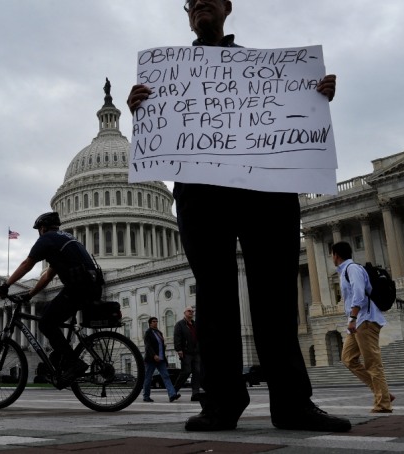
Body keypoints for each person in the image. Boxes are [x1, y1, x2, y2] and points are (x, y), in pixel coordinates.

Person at [127, 0, 350, 432]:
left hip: (265, 189)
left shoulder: (273, 72)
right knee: (214, 298)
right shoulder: (167, 75)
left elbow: (294, 117)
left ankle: (292, 403)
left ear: (228, 7)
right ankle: (222, 401)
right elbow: (162, 132)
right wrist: (145, 111)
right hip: (201, 192)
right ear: (188, 12)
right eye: (192, 0)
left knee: (275, 295)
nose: (201, 4)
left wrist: (314, 97)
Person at [0, 212, 102, 388]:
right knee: (53, 320)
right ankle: (63, 361)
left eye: (38, 230)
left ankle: (74, 363)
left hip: (78, 287)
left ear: (42, 228)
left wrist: (6, 285)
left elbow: (27, 264)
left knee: (46, 323)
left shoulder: (47, 239)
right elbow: (47, 277)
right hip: (93, 284)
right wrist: (30, 294)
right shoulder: (65, 239)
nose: (39, 233)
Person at [331, 241, 394, 413]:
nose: (332, 257)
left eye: (332, 254)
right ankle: (383, 392)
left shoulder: (352, 269)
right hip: (358, 322)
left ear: (335, 255)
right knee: (348, 359)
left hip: (364, 320)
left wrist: (352, 317)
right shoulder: (346, 271)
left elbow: (359, 293)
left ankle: (383, 403)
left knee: (373, 362)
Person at [142, 317, 181, 403]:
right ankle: (146, 396)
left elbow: (162, 347)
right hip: (151, 359)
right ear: (150, 323)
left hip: (161, 359)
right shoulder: (148, 333)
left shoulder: (159, 333)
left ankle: (172, 395)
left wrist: (165, 359)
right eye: (153, 322)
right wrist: (154, 355)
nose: (155, 323)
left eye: (156, 321)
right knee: (148, 377)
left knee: (166, 376)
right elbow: (148, 346)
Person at [173, 306, 202, 400]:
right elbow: (177, 337)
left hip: (196, 352)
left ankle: (195, 393)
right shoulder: (180, 324)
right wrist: (179, 349)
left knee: (197, 372)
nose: (191, 312)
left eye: (192, 311)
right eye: (189, 311)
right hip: (186, 352)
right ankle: (173, 391)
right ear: (184, 313)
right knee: (186, 372)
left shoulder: (195, 324)